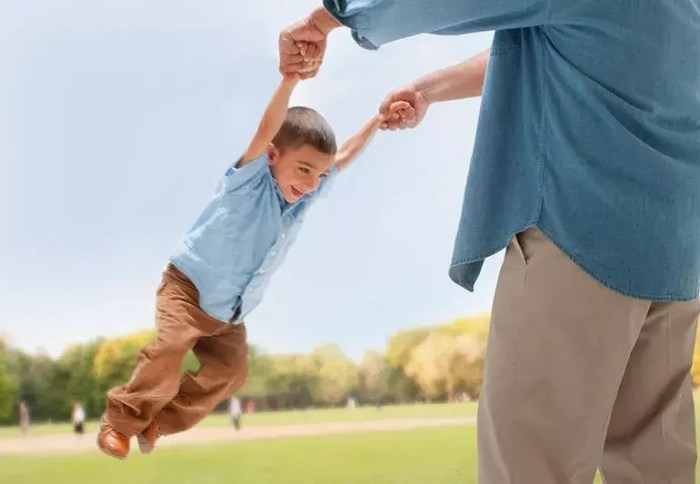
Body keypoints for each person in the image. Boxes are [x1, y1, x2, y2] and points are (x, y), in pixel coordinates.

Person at [280, 3, 700, 483]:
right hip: (672, 256)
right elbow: (559, 38)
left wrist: (330, 17)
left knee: (529, 468)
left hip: (580, 240)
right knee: (655, 467)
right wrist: (428, 89)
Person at [97, 67, 403, 460]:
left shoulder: (304, 198)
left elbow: (343, 156)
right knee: (171, 347)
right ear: (273, 155)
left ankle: (159, 421)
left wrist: (377, 121)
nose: (311, 184)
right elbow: (267, 127)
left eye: (319, 175)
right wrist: (290, 81)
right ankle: (120, 423)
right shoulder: (250, 180)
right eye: (303, 170)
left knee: (230, 372)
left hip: (230, 313)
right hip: (188, 289)